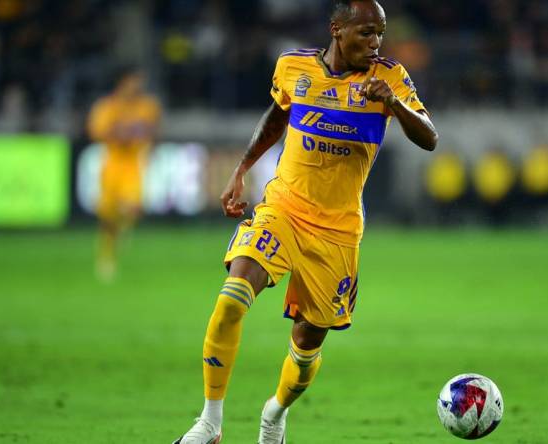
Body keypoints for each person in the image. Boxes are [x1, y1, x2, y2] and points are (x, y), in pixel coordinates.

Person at [173, 1, 438, 443]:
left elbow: (429, 137)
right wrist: (242, 168)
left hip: (338, 230)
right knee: (233, 298)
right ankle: (209, 423)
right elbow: (278, 115)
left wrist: (393, 103)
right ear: (337, 29)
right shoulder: (293, 67)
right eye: (366, 33)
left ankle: (274, 414)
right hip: (285, 207)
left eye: (380, 34)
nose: (375, 43)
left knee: (307, 342)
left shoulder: (388, 77)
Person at [87, 67, 161, 281]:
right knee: (108, 217)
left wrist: (150, 146)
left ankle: (123, 230)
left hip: (133, 165)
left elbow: (153, 130)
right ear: (122, 82)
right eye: (133, 81)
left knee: (134, 207)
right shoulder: (107, 107)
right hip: (112, 164)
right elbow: (97, 132)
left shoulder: (147, 106)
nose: (137, 87)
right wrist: (121, 134)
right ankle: (106, 256)